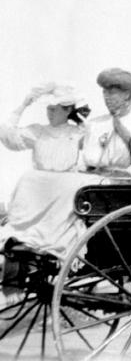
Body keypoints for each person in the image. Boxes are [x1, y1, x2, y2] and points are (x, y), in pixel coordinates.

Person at [0, 83, 90, 306]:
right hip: (39, 190)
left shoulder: (79, 132)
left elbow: (92, 156)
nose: (49, 114)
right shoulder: (38, 132)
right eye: (47, 109)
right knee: (28, 181)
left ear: (68, 110)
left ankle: (54, 249)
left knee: (70, 187)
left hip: (64, 191)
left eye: (55, 109)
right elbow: (7, 134)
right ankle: (18, 265)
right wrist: (23, 104)